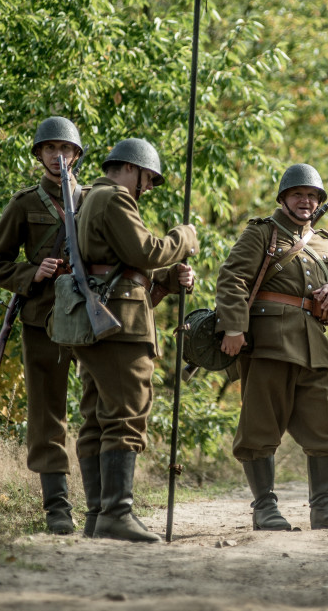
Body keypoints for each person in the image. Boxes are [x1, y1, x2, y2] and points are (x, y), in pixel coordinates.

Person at [215, 164, 328, 531]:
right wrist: (234, 327)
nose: (306, 201)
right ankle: (265, 507)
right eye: (298, 194)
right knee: (260, 426)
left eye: (312, 196)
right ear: (283, 198)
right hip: (268, 343)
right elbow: (232, 280)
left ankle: (323, 508)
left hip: (313, 345)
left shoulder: (326, 242)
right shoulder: (262, 233)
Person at [72, 138, 197, 543]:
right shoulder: (115, 199)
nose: (147, 187)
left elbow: (123, 264)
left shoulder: (90, 197)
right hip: (121, 326)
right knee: (127, 413)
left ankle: (97, 515)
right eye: (148, 178)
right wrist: (183, 238)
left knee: (97, 416)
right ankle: (116, 513)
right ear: (133, 169)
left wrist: (166, 281)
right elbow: (145, 250)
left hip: (100, 319)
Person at [0, 116, 92, 535]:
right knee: (47, 412)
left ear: (77, 156)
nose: (58, 156)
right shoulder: (24, 204)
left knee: (98, 406)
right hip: (41, 318)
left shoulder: (96, 200)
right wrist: (32, 272)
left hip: (88, 315)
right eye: (50, 149)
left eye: (65, 150)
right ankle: (58, 507)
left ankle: (103, 505)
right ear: (39, 155)